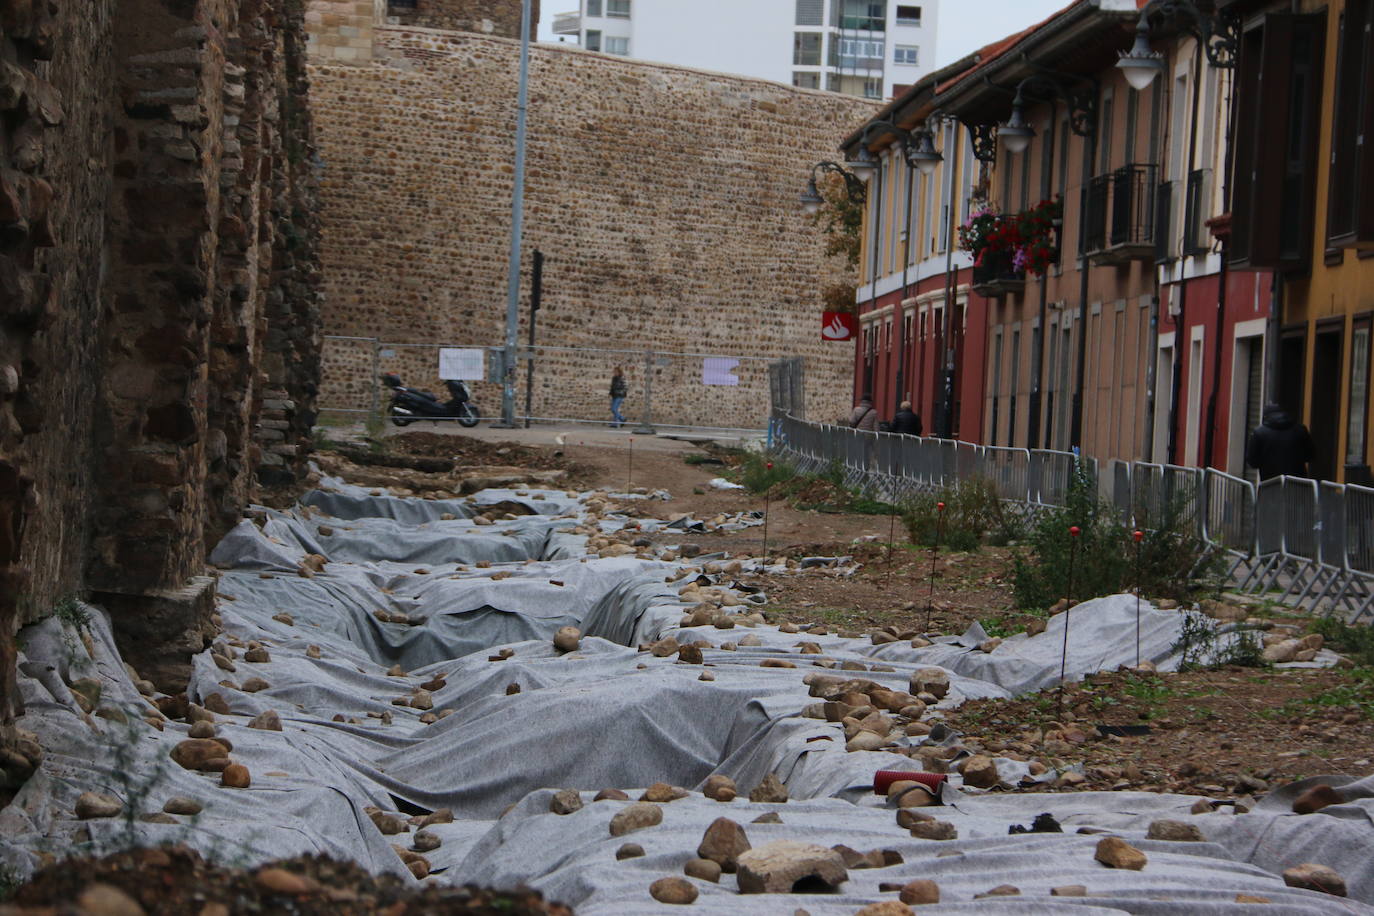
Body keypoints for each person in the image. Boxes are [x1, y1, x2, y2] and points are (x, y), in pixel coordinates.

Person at [1245, 403, 1315, 480]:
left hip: (1270, 483)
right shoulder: (1300, 430)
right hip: (1297, 484)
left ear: (1265, 416)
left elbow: (1253, 461)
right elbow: (1311, 455)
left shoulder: (1259, 432)